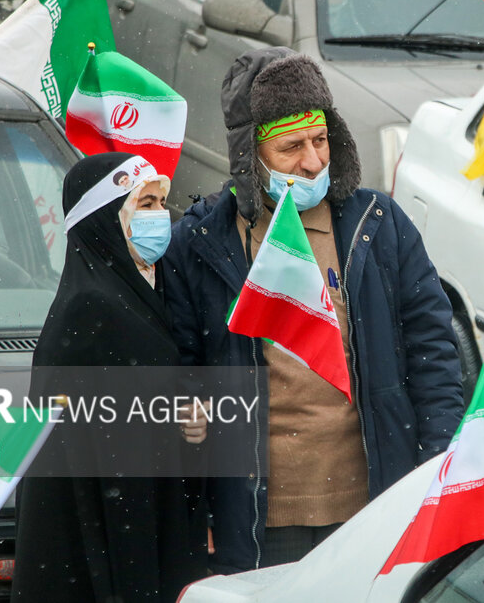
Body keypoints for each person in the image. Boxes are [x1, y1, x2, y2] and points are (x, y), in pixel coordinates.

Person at [163, 47, 463, 572]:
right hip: (259, 517)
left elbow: (434, 354)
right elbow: (182, 370)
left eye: (321, 139)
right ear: (248, 155)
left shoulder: (378, 226)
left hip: (370, 501)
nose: (313, 161)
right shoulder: (203, 243)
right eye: (291, 147)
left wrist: (433, 469)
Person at [13, 152, 207, 602]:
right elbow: (98, 450)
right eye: (145, 204)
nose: (161, 216)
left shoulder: (139, 294)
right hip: (110, 539)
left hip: (141, 516)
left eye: (162, 202)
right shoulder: (93, 309)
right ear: (104, 221)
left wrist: (189, 426)